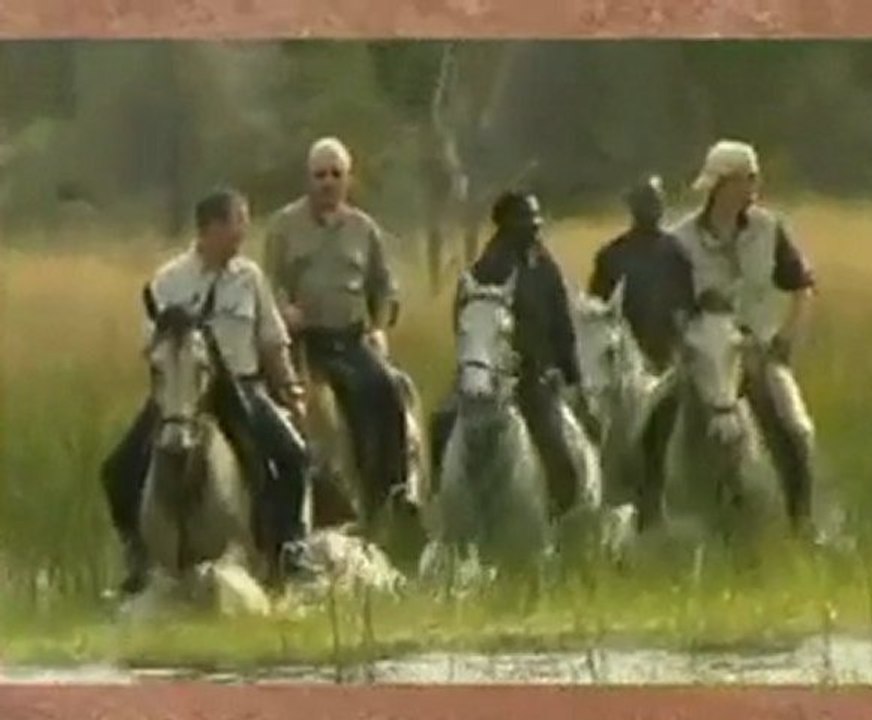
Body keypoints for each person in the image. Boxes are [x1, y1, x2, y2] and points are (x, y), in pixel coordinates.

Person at [100, 187, 317, 596]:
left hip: (242, 387)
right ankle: (137, 556)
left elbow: (272, 341)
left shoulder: (250, 277)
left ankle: (291, 549)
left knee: (292, 455)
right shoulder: (168, 281)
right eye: (238, 223)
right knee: (117, 469)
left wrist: (289, 388)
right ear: (211, 228)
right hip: (180, 391)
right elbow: (151, 348)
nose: (243, 233)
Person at [669, 139, 818, 534]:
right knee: (655, 419)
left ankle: (802, 522)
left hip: (757, 349)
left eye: (754, 177)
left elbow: (802, 285)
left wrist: (787, 338)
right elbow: (669, 301)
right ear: (723, 184)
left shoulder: (770, 228)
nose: (754, 185)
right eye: (746, 178)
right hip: (704, 353)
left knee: (796, 428)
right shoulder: (680, 240)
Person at [262, 137, 407, 520]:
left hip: (352, 340)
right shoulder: (283, 227)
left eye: (335, 174)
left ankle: (394, 491)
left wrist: (379, 327)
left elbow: (385, 287)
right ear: (308, 179)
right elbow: (269, 283)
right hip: (303, 344)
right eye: (320, 175)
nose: (327, 182)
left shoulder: (365, 229)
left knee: (388, 391)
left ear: (348, 179)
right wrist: (284, 310)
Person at [429, 190, 584, 517]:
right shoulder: (484, 271)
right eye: (526, 219)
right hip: (486, 375)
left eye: (536, 218)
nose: (534, 225)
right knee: (441, 423)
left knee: (557, 446)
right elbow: (466, 324)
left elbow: (561, 323)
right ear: (505, 224)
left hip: (534, 375)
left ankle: (562, 514)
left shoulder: (544, 267)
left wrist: (570, 372)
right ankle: (438, 504)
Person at [587, 174, 697, 528]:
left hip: (665, 362)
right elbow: (596, 311)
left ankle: (662, 503)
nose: (651, 208)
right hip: (619, 364)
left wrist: (681, 352)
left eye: (655, 201)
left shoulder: (676, 254)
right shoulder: (611, 256)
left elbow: (687, 308)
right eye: (644, 202)